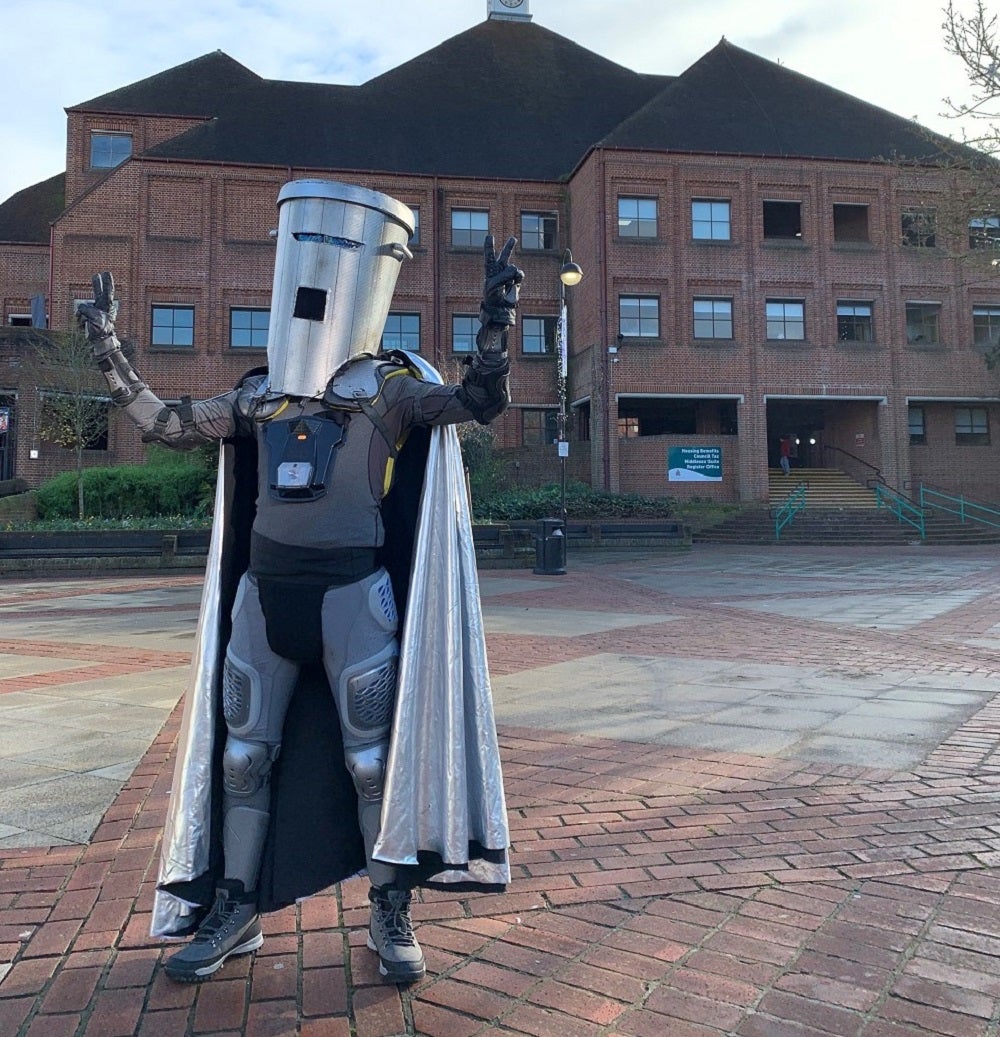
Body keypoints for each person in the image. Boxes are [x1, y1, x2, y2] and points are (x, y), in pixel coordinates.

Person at [77, 179, 519, 985]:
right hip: (266, 599)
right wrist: (109, 352)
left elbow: (475, 404)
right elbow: (169, 424)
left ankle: (390, 909)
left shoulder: (387, 391)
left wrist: (494, 329)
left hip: (353, 599)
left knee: (372, 764)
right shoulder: (259, 396)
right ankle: (237, 906)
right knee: (245, 758)